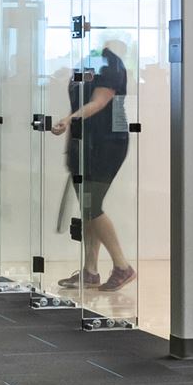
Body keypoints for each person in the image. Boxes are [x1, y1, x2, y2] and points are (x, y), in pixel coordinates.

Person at [51, 38, 135, 294]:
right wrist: (71, 135)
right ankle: (90, 272)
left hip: (107, 144)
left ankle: (122, 267)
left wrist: (68, 119)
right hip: (84, 142)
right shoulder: (89, 62)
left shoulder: (113, 65)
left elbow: (99, 102)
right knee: (88, 206)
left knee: (91, 205)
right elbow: (79, 103)